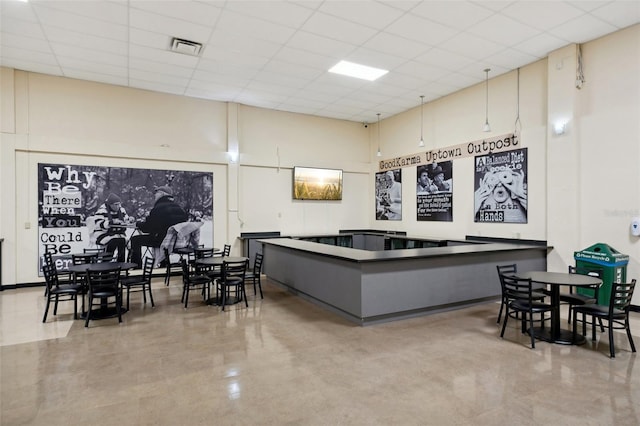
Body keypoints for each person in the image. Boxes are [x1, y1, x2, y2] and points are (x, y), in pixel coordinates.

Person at [130, 186, 188, 267]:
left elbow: (148, 228)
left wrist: (138, 224)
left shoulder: (158, 208)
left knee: (135, 240)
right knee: (159, 235)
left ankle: (136, 267)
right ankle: (163, 264)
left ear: (162, 194)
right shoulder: (179, 208)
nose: (155, 195)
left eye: (156, 193)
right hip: (176, 241)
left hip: (161, 241)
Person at [88, 193, 132, 262]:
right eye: (116, 205)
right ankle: (107, 261)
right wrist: (110, 223)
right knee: (115, 241)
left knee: (123, 241)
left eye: (119, 204)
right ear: (110, 204)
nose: (118, 206)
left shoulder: (121, 210)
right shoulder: (102, 211)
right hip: (103, 234)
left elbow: (126, 220)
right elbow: (98, 224)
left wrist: (130, 220)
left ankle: (121, 262)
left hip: (118, 233)